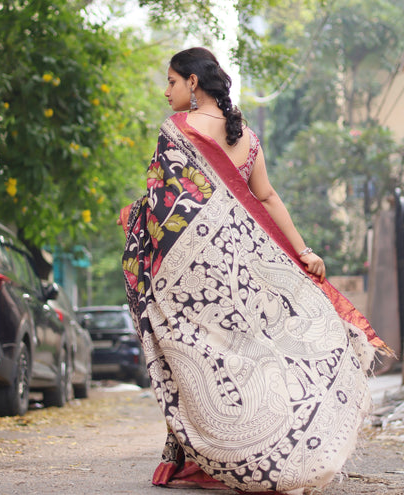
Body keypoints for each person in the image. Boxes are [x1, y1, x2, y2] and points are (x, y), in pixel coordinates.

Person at [120, 47, 389, 495]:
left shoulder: (177, 131)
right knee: (260, 360)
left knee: (204, 364)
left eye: (170, 81)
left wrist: (133, 220)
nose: (166, 91)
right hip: (248, 274)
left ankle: (217, 460)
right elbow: (266, 198)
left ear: (192, 82)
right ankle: (279, 450)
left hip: (198, 281)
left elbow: (164, 213)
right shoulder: (248, 136)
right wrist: (302, 250)